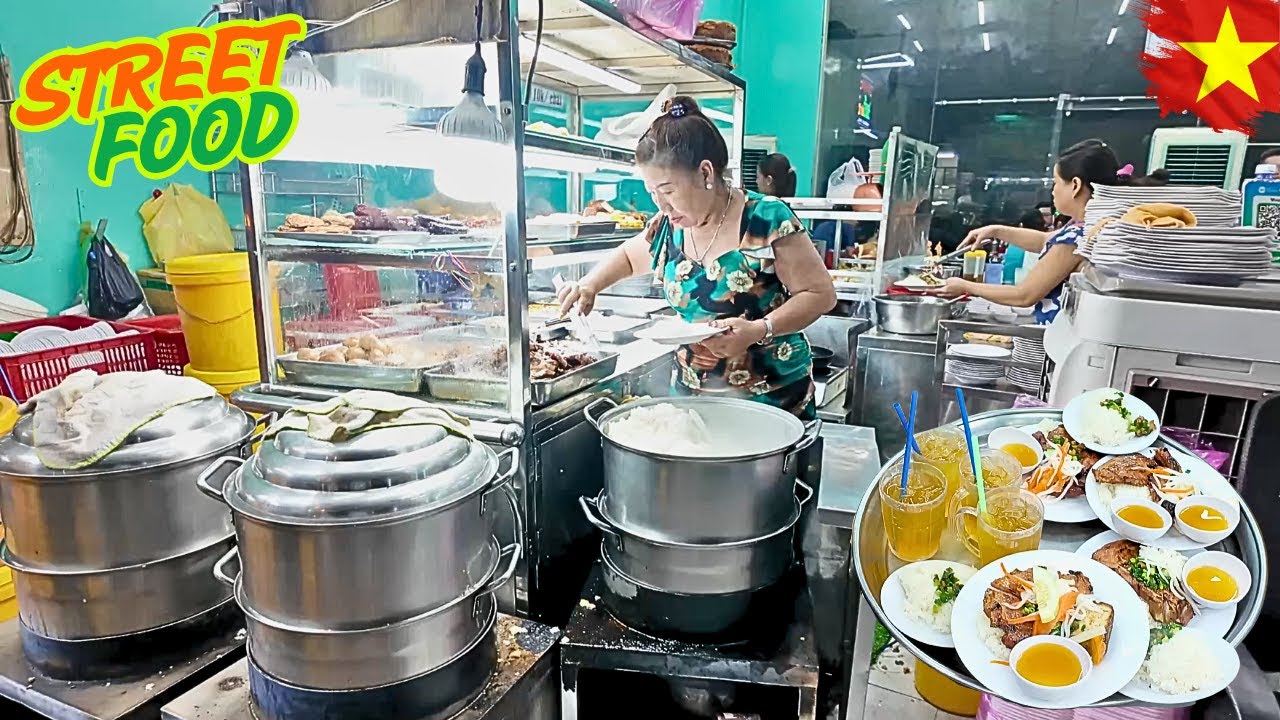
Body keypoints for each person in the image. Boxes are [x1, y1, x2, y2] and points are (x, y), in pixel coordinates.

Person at [558, 96, 837, 418]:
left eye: (668, 190)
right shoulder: (667, 226)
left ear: (706, 172)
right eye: (652, 193)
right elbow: (629, 257)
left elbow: (819, 294)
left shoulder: (766, 218)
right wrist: (590, 284)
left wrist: (759, 329)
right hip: (693, 398)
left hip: (771, 397)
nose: (661, 205)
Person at [933, 139, 1167, 323]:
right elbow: (1047, 240)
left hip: (1062, 334)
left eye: (1056, 183)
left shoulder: (1078, 237)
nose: (1052, 191)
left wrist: (964, 286)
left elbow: (1024, 295)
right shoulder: (1083, 227)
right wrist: (996, 230)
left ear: (1075, 185)